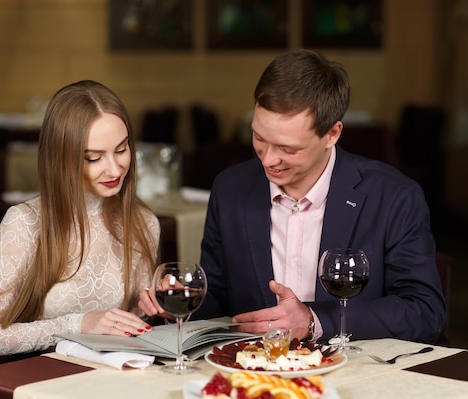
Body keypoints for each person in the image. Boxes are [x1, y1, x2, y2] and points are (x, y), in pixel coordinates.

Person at [139, 49, 446, 344]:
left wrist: (314, 320)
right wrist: (179, 304)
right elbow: (218, 296)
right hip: (254, 373)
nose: (268, 160)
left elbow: (424, 311)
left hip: (357, 373)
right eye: (259, 137)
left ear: (332, 134)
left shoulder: (393, 197)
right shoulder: (231, 188)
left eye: (288, 149)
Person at [0, 80, 160, 356]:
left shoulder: (143, 222)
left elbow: (133, 325)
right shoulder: (24, 223)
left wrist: (154, 304)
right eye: (94, 158)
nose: (114, 168)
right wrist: (79, 323)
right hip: (44, 380)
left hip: (113, 377)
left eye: (121, 150)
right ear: (62, 159)